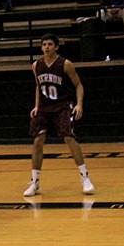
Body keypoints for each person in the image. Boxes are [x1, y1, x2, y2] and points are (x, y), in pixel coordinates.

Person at [23, 33, 95, 197]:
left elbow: (78, 85)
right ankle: (35, 182)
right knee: (37, 141)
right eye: (44, 44)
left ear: (56, 47)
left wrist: (79, 105)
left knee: (69, 138)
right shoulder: (36, 65)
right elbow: (37, 86)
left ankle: (85, 178)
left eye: (49, 44)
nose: (46, 47)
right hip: (44, 107)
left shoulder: (65, 64)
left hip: (62, 106)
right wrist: (36, 106)